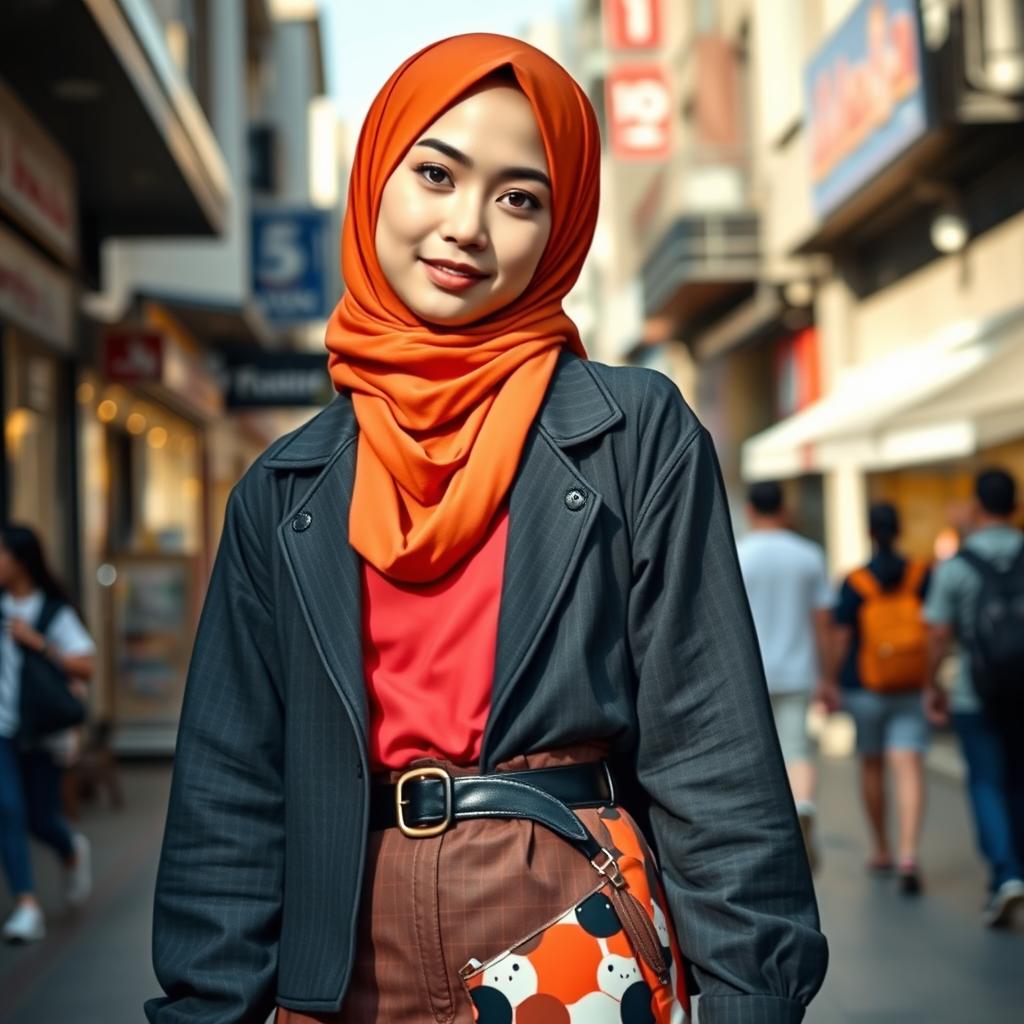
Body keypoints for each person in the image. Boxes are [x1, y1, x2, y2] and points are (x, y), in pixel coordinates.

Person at [145, 35, 827, 1024]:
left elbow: (709, 746)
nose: (467, 226)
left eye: (519, 198)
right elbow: (230, 791)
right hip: (340, 949)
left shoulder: (631, 433)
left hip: (567, 927)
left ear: (560, 228)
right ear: (376, 176)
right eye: (435, 174)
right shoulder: (282, 485)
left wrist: (751, 999)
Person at [924, 468, 1024, 928]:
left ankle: (1005, 876)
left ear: (979, 506)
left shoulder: (957, 566)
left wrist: (932, 685)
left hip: (974, 692)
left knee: (986, 780)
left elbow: (938, 634)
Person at [826, 503, 930, 895]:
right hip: (910, 684)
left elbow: (840, 637)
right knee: (908, 766)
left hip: (864, 686)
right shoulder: (921, 574)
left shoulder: (855, 582)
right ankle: (909, 853)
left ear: (870, 532)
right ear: (898, 530)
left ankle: (882, 848)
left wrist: (831, 681)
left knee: (872, 764)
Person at [0, 524, 95, 943]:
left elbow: (85, 666)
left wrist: (38, 643)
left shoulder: (53, 611)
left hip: (39, 731)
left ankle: (70, 849)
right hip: (1, 730)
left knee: (41, 818)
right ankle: (26, 904)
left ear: (20, 560)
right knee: (7, 809)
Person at [736, 481, 835, 871]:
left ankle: (767, 833)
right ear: (785, 510)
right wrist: (829, 676)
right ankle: (804, 806)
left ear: (750, 510)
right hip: (797, 668)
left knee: (757, 754)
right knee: (797, 749)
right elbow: (823, 621)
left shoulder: (738, 554)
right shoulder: (808, 555)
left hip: (750, 673)